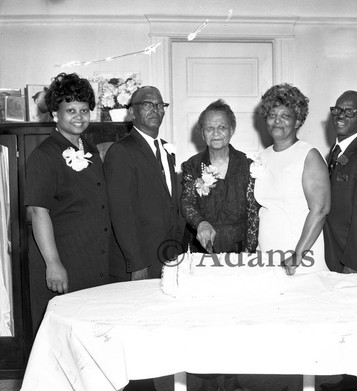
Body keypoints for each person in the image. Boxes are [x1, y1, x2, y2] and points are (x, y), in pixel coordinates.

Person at [25, 73, 111, 331]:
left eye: (84, 110)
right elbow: (39, 212)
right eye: (70, 110)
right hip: (64, 261)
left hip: (92, 260)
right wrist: (53, 264)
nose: (79, 116)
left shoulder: (92, 151)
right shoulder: (45, 155)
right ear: (55, 115)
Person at [104, 86, 184, 282]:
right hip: (140, 263)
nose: (155, 109)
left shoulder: (167, 150)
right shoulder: (121, 151)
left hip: (169, 257)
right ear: (132, 112)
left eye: (160, 105)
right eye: (147, 104)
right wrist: (137, 263)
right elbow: (121, 213)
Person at [254, 83, 330, 275]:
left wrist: (297, 255)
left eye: (285, 115)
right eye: (272, 115)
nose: (277, 121)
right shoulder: (263, 156)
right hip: (267, 252)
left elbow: (320, 210)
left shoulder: (308, 155)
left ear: (297, 121)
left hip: (299, 255)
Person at [181, 99, 259, 254]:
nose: (216, 132)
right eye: (209, 128)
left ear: (231, 130)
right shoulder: (192, 165)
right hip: (203, 247)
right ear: (202, 133)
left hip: (239, 248)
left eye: (222, 127)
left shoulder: (248, 165)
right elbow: (187, 202)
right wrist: (200, 223)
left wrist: (248, 253)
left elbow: (253, 214)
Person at [323, 91, 357, 276]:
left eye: (349, 112)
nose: (340, 115)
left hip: (348, 260)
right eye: (337, 110)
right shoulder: (334, 151)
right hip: (331, 252)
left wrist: (353, 264)